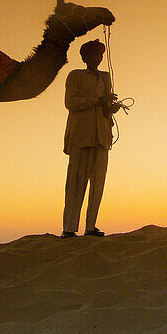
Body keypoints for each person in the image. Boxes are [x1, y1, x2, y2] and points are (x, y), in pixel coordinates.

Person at [61, 39, 121, 237]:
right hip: (81, 135)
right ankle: (69, 229)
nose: (96, 57)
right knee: (76, 182)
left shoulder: (105, 77)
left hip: (102, 136)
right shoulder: (75, 76)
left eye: (99, 54)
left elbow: (104, 109)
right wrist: (98, 100)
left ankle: (90, 227)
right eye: (92, 54)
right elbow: (71, 103)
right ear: (84, 57)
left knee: (98, 183)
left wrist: (110, 109)